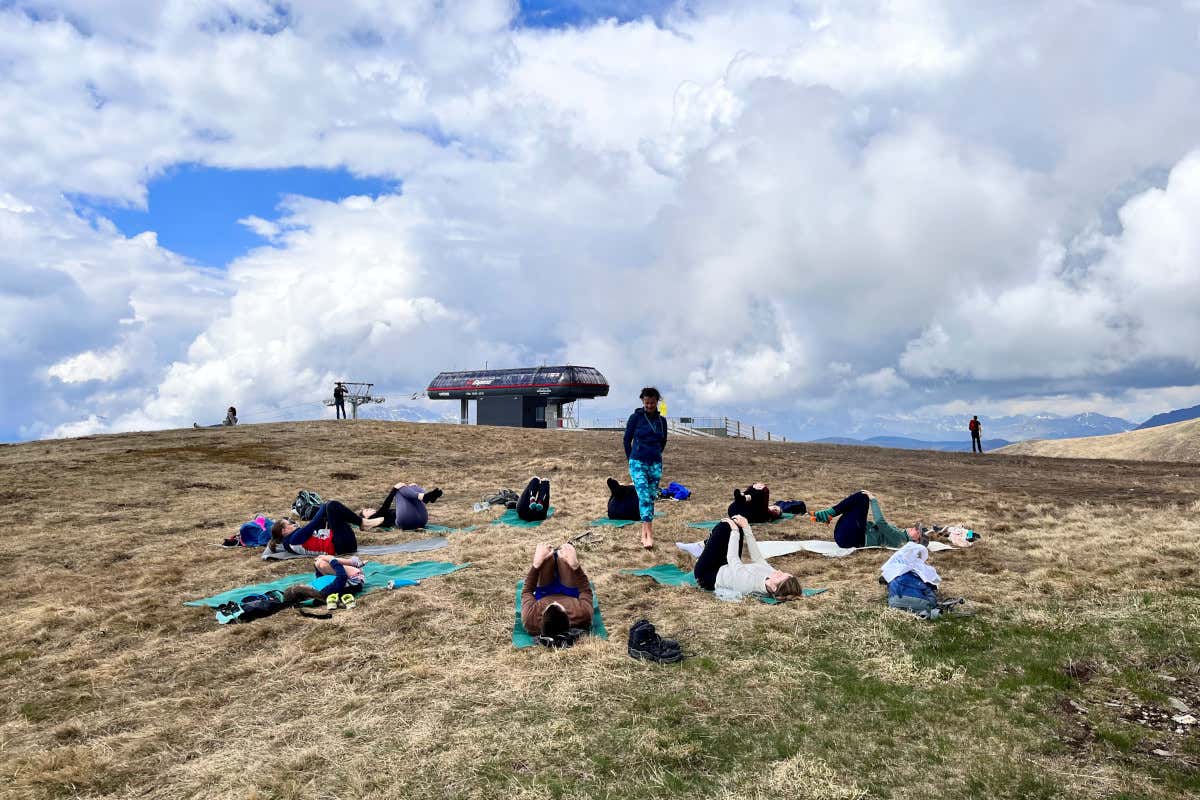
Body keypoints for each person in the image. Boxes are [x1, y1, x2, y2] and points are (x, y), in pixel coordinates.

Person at [692, 515, 805, 599]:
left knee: (725, 526)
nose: (779, 571)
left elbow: (733, 558)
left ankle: (701, 547)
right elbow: (757, 558)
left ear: (774, 588)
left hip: (707, 573)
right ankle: (706, 547)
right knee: (738, 525)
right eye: (783, 572)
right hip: (726, 566)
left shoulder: (749, 584)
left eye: (780, 576)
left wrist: (735, 531)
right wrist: (746, 527)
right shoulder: (770, 578)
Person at [624, 387, 668, 548]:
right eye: (647, 402)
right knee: (643, 496)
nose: (649, 405)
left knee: (650, 497)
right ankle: (649, 535)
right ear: (643, 401)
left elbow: (663, 442)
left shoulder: (662, 421)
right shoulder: (635, 418)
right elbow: (626, 440)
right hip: (638, 462)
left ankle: (644, 532)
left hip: (655, 463)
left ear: (657, 402)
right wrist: (632, 459)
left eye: (652, 402)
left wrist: (655, 455)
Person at [520, 542, 593, 637]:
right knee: (565, 556)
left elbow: (527, 591)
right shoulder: (583, 615)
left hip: (544, 592)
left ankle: (550, 558)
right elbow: (585, 591)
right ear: (568, 618)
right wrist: (575, 565)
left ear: (542, 617)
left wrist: (536, 564)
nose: (554, 602)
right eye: (558, 605)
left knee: (546, 558)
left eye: (550, 606)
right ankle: (561, 555)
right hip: (570, 592)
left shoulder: (530, 620)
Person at [812, 491, 925, 549]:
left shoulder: (901, 539)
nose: (914, 528)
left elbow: (881, 523)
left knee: (863, 497)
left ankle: (829, 514)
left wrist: (874, 501)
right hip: (846, 537)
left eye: (917, 531)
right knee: (860, 497)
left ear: (916, 541)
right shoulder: (900, 535)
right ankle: (829, 514)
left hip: (851, 538)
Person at [268, 500, 383, 556]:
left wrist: (325, 512)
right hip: (340, 547)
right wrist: (324, 507)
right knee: (331, 505)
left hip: (342, 543)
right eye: (288, 523)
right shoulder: (293, 540)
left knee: (332, 508)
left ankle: (362, 521)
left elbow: (319, 526)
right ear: (284, 531)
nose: (291, 523)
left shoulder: (294, 538)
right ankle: (362, 522)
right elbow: (313, 524)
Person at [283, 554, 367, 607]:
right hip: (356, 579)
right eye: (301, 585)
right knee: (322, 562)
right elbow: (342, 577)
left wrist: (317, 568)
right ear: (304, 591)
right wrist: (332, 560)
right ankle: (353, 562)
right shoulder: (325, 591)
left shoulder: (316, 591)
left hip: (344, 578)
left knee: (319, 563)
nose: (302, 584)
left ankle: (352, 563)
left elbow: (321, 579)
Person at [359, 482, 443, 530]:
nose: (369, 508)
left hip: (421, 520)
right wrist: (394, 490)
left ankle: (426, 496)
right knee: (399, 489)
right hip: (405, 523)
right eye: (366, 511)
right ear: (365, 518)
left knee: (412, 486)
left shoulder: (380, 514)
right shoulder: (372, 519)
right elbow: (385, 506)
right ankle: (424, 496)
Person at [727, 483, 808, 524]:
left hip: (738, 513)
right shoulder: (760, 508)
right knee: (756, 492)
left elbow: (765, 493)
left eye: (776, 511)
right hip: (735, 508)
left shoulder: (767, 515)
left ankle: (743, 495)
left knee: (762, 492)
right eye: (775, 508)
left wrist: (762, 488)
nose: (775, 509)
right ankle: (742, 496)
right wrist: (755, 486)